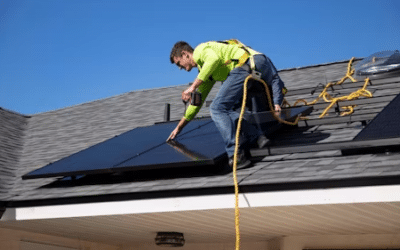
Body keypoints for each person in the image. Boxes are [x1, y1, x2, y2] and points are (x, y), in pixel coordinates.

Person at [167, 40, 285, 169]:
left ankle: (236, 155)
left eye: (179, 63)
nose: (180, 67)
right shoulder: (205, 72)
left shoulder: (201, 50)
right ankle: (257, 136)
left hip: (246, 65)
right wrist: (179, 128)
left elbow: (213, 60)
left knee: (217, 108)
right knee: (225, 109)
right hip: (249, 70)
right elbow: (197, 103)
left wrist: (192, 87)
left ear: (185, 54)